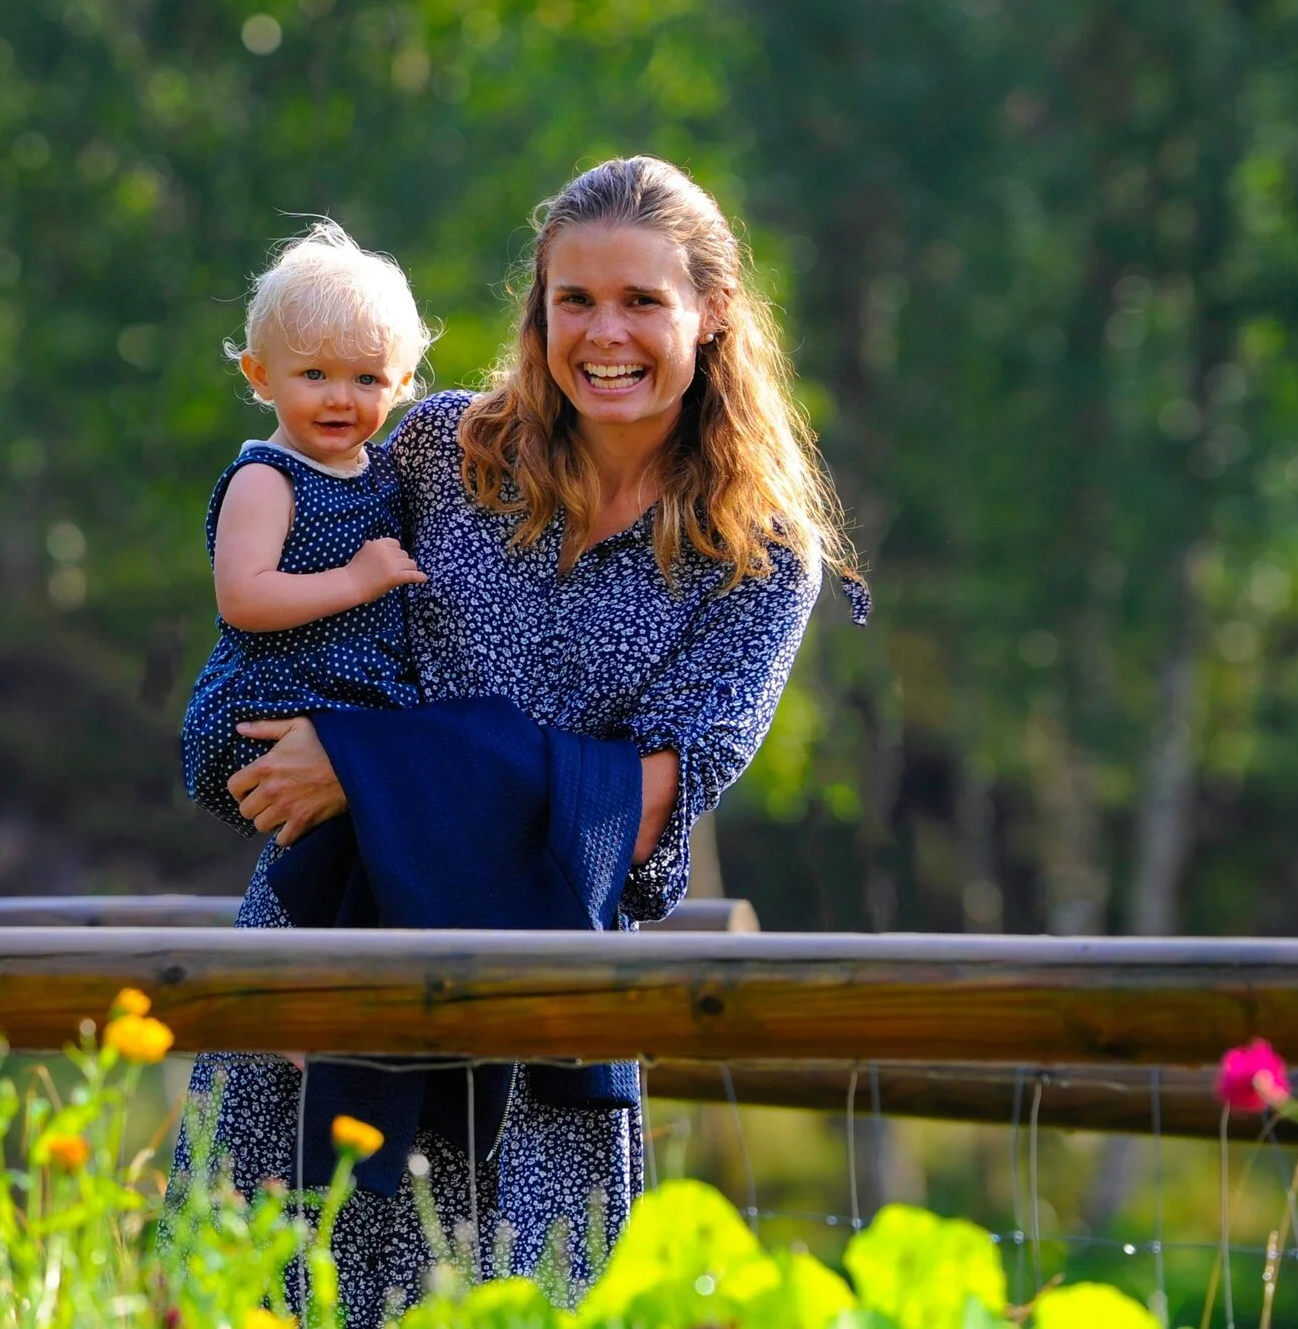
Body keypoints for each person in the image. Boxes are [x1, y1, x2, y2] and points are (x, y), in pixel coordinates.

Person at [174, 158, 866, 1324]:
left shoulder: (761, 556)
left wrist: (365, 763)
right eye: (574, 301)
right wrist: (245, 738)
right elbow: (272, 607)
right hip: (323, 983)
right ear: (535, 314)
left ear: (711, 313)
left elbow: (655, 795)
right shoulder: (435, 452)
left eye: (641, 300)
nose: (605, 333)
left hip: (544, 1021)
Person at [180, 221, 436, 821]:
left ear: (400, 386)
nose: (340, 398)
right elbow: (243, 597)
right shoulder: (268, 479)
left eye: (366, 378)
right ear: (262, 376)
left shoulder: (380, 470)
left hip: (351, 706)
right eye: (315, 374)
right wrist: (355, 580)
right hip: (271, 706)